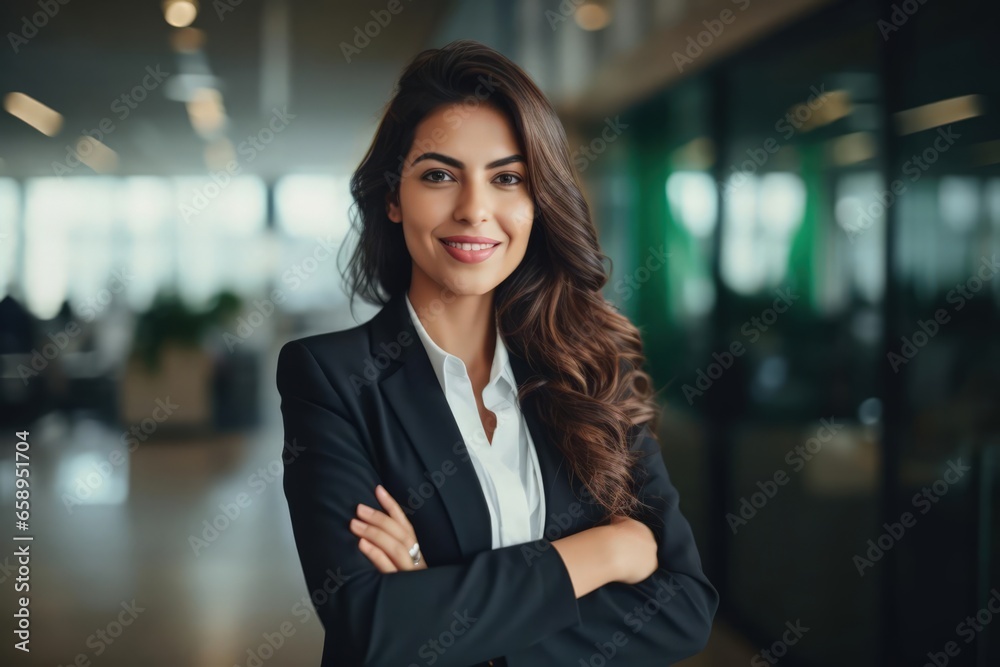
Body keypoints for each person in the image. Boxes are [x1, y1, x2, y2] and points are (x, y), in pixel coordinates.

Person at [277, 39, 718, 667]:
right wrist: (605, 554)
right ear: (393, 197)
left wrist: (436, 590)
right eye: (439, 174)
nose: (474, 209)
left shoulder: (592, 370)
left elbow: (684, 612)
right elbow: (372, 625)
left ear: (537, 204)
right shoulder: (333, 378)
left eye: (507, 178)